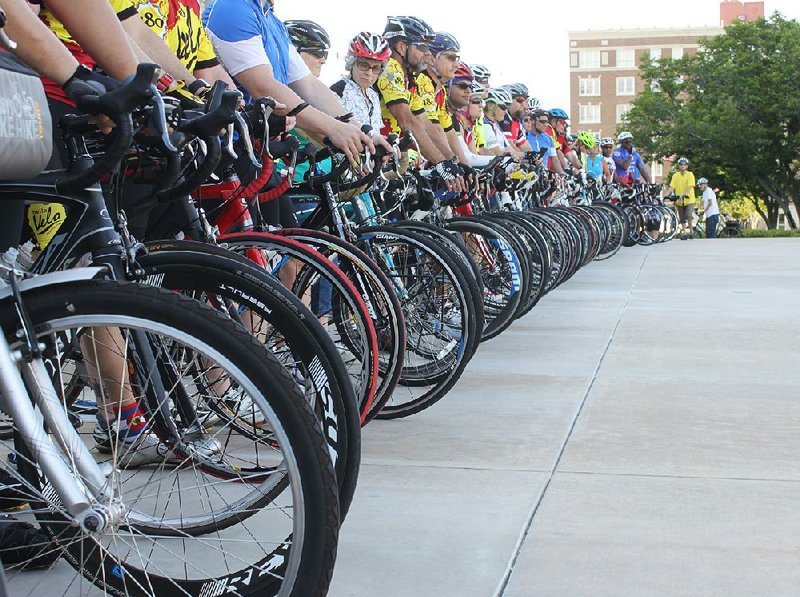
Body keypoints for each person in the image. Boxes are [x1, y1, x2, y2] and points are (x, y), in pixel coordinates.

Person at [375, 15, 465, 191]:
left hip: (390, 156)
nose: (427, 54)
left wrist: (453, 163)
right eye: (423, 47)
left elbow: (426, 124)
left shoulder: (410, 78)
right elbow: (407, 121)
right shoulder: (390, 68)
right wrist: (441, 163)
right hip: (374, 156)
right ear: (401, 47)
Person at [665, 156, 696, 236]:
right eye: (681, 164)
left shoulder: (690, 174)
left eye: (684, 164)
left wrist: (685, 194)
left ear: (687, 166)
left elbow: (690, 186)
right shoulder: (675, 175)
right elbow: (672, 187)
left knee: (688, 215)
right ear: (679, 166)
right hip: (679, 200)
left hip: (689, 199)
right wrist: (665, 196)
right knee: (681, 217)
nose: (683, 166)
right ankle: (684, 232)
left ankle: (691, 231)